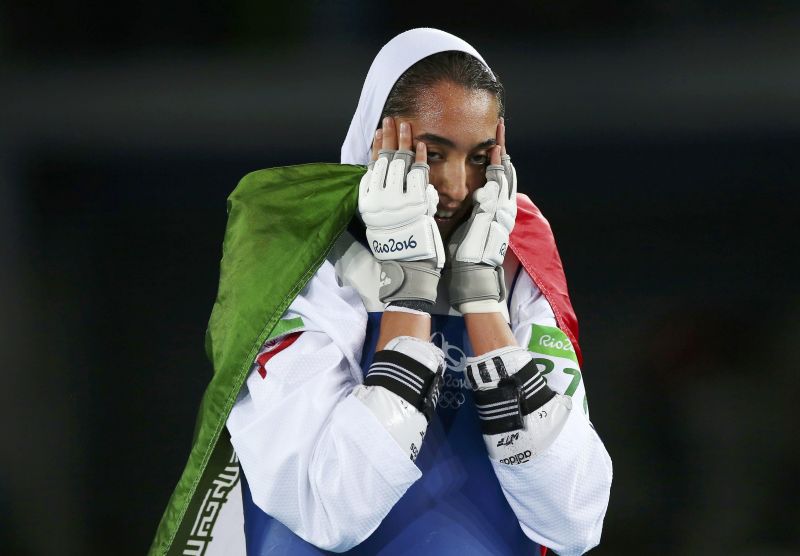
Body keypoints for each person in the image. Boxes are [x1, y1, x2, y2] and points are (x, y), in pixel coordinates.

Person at [149, 28, 611, 556]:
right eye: (433, 154)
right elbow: (334, 509)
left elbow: (573, 521)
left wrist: (482, 300)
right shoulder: (303, 258)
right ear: (378, 142)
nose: (459, 186)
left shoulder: (515, 264)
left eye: (480, 158)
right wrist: (409, 290)